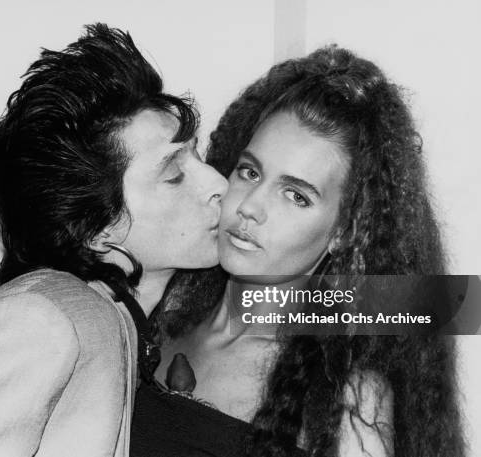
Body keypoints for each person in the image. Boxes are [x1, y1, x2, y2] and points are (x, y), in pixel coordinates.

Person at [0, 23, 227, 456]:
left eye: (198, 157)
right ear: (98, 230)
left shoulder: (108, 320)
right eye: (174, 175)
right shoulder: (44, 319)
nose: (216, 183)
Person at [131, 46, 464, 457]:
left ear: (345, 231)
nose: (250, 206)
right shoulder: (153, 320)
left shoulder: (350, 401)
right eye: (249, 171)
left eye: (296, 196)